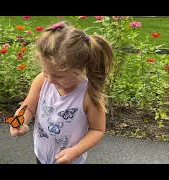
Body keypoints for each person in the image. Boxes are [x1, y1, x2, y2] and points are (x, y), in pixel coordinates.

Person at [9, 21, 113, 164]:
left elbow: (97, 130)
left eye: (58, 76)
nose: (50, 80)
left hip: (70, 160)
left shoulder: (89, 95)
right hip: (41, 154)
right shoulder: (41, 81)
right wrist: (20, 121)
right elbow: (28, 107)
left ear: (80, 69)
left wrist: (75, 151)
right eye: (46, 71)